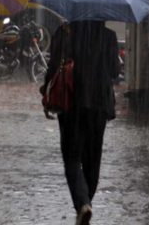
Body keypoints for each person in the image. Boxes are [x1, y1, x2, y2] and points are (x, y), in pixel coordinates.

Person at [40, 21, 119, 225]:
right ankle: (86, 205)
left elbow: (53, 67)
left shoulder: (64, 32)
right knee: (93, 160)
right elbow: (115, 71)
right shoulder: (108, 36)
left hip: (71, 102)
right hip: (99, 104)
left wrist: (46, 94)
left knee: (72, 158)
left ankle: (83, 204)